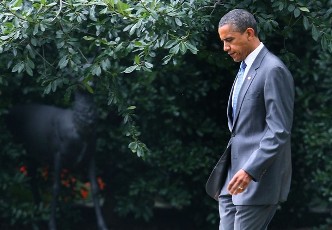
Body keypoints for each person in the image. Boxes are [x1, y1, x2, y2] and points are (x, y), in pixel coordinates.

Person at [217, 9, 295, 230]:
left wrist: (250, 170)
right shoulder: (245, 69)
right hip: (232, 184)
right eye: (223, 42)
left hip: (257, 182)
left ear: (249, 33)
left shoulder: (273, 70)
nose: (225, 48)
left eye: (230, 40)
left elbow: (279, 130)